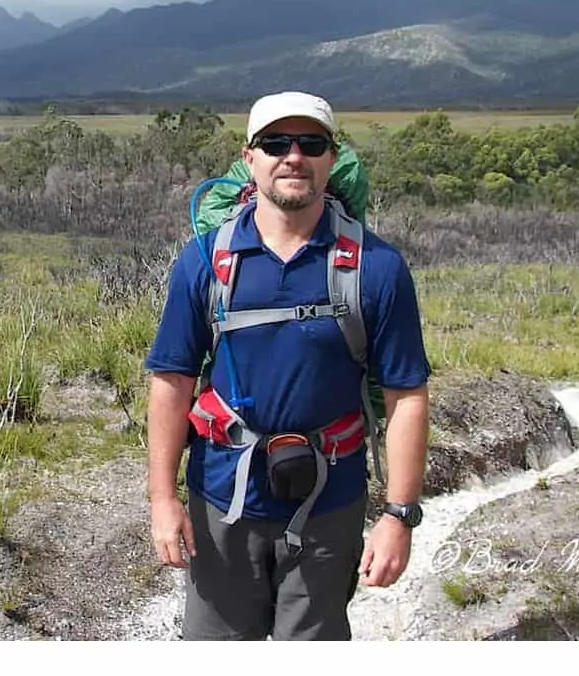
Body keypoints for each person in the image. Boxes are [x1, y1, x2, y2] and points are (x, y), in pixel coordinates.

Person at [144, 90, 431, 641]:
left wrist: (399, 516)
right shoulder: (206, 260)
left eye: (310, 143)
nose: (293, 155)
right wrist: (163, 499)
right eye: (275, 143)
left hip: (332, 502)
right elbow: (171, 381)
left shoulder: (378, 268)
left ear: (331, 157)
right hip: (222, 498)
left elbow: (406, 396)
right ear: (250, 158)